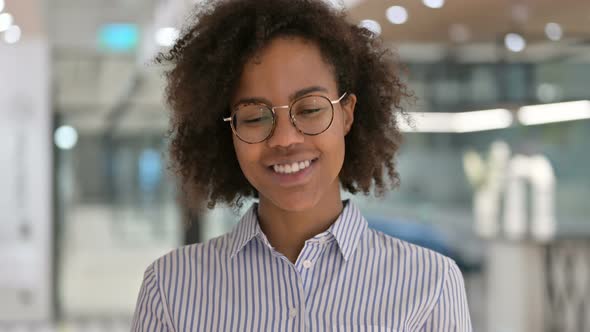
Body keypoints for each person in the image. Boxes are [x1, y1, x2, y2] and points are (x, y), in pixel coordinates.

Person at [131, 0, 472, 330]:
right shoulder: (170, 289)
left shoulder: (430, 284)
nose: (284, 139)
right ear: (228, 132)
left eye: (309, 110)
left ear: (347, 114)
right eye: (254, 117)